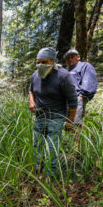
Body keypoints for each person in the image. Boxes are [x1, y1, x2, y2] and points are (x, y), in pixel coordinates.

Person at [29, 47, 78, 177]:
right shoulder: (35, 75)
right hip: (40, 116)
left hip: (56, 117)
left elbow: (73, 100)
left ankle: (50, 176)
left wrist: (70, 121)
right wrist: (31, 101)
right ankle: (37, 171)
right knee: (36, 145)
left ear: (53, 61)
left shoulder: (63, 76)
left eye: (44, 62)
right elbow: (31, 90)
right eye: (38, 62)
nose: (40, 65)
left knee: (52, 148)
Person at [63, 49, 98, 125]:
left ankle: (76, 136)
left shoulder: (84, 66)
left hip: (77, 99)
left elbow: (89, 82)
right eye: (67, 58)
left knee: (74, 124)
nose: (70, 59)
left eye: (72, 57)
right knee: (65, 125)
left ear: (78, 57)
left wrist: (82, 97)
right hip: (64, 101)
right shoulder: (66, 71)